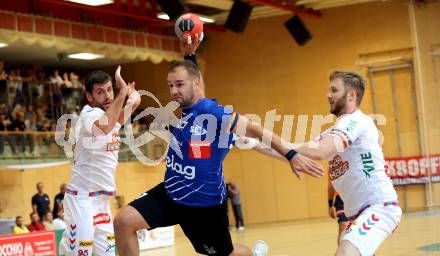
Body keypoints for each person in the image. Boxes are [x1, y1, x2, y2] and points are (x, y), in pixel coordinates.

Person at [113, 38, 324, 256]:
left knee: (228, 254)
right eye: (170, 85)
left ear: (194, 84)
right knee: (123, 222)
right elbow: (195, 89)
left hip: (203, 206)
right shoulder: (187, 109)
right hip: (171, 192)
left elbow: (257, 130)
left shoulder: (214, 113)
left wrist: (291, 155)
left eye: (179, 84)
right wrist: (189, 58)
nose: (174, 91)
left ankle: (254, 254)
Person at [295, 71, 401, 256]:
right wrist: (257, 139)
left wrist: (277, 143)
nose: (328, 95)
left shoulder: (356, 121)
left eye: (334, 90)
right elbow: (295, 151)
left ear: (352, 95)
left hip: (379, 206)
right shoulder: (334, 131)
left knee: (345, 252)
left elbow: (319, 152)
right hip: (357, 213)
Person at [62, 66, 140, 256]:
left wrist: (125, 88)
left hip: (101, 200)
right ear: (89, 97)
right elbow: (103, 128)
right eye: (100, 92)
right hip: (81, 199)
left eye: (109, 89)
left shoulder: (112, 118)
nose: (107, 96)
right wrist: (122, 94)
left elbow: (135, 101)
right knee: (81, 253)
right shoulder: (89, 115)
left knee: (107, 253)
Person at [328, 178, 348, 244]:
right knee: (343, 226)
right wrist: (330, 205)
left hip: (357, 197)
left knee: (361, 225)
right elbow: (331, 185)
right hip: (340, 199)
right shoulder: (332, 168)